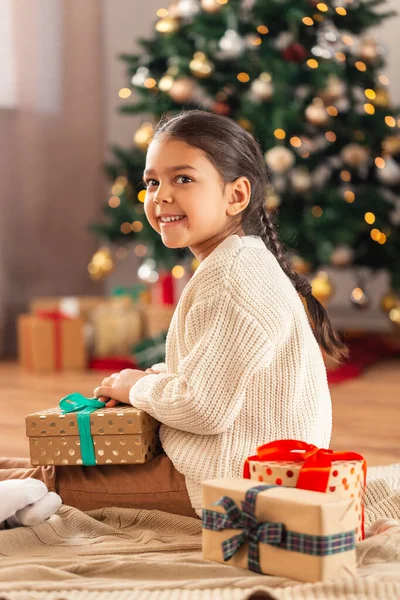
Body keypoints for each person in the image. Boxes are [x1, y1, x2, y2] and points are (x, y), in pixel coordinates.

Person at [0, 110, 347, 522]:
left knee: (50, 477)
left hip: (229, 482)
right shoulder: (236, 263)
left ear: (236, 196)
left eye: (183, 179)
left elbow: (204, 408)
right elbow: (209, 369)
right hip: (239, 466)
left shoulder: (234, 280)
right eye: (152, 182)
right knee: (28, 469)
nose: (160, 195)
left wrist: (136, 388)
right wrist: (150, 380)